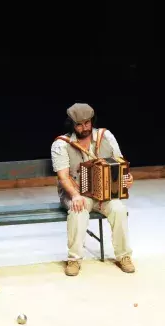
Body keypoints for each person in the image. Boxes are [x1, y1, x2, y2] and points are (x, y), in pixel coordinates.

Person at [50, 103, 135, 276]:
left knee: (119, 209)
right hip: (77, 193)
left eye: (87, 123)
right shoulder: (61, 144)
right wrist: (74, 196)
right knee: (78, 209)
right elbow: (63, 176)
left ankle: (124, 256)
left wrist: (126, 177)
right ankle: (74, 259)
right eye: (79, 124)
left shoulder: (106, 136)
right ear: (72, 125)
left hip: (103, 195)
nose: (84, 127)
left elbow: (120, 163)